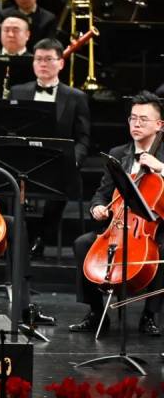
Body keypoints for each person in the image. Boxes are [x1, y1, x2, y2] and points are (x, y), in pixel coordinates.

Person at [70, 91, 164, 337]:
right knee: (82, 244)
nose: (136, 124)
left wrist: (161, 168)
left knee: (161, 251)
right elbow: (102, 194)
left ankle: (149, 315)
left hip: (154, 229)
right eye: (133, 118)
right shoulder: (118, 153)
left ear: (159, 125)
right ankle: (95, 313)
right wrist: (97, 208)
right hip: (119, 226)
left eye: (143, 119)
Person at [10, 38, 90, 258]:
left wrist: (74, 160)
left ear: (61, 63)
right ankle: (18, 240)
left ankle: (40, 238)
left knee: (59, 189)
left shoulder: (76, 97)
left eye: (48, 59)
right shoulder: (17, 92)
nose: (43, 64)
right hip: (25, 161)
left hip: (58, 162)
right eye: (38, 59)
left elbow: (83, 138)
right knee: (4, 183)